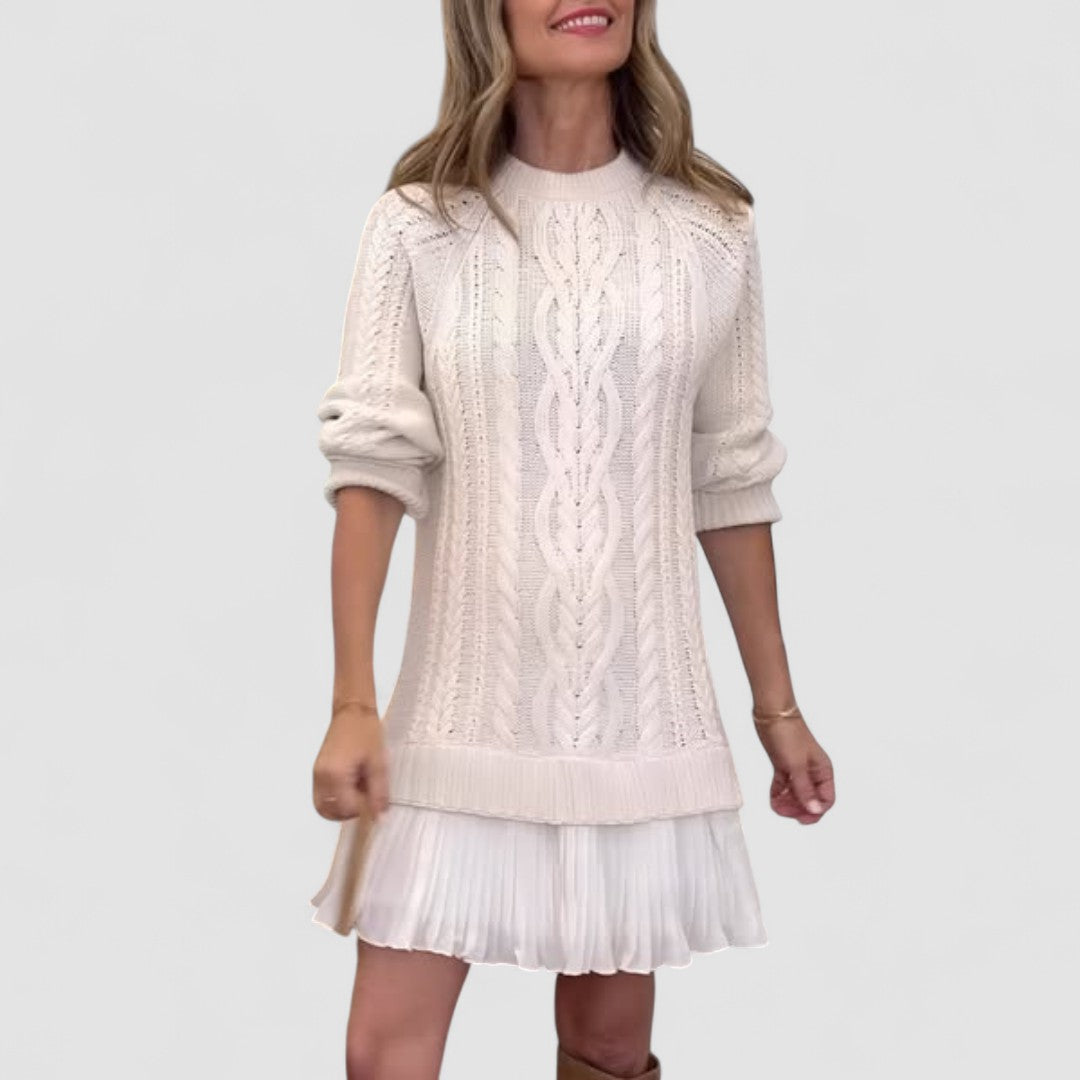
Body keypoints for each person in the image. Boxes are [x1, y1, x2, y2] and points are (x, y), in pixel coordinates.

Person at [309, 1, 835, 1077]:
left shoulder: (712, 229)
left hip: (641, 721)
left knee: (605, 1050)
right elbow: (373, 465)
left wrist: (777, 710)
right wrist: (353, 700)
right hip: (456, 716)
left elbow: (730, 479)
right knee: (383, 1053)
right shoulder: (417, 225)